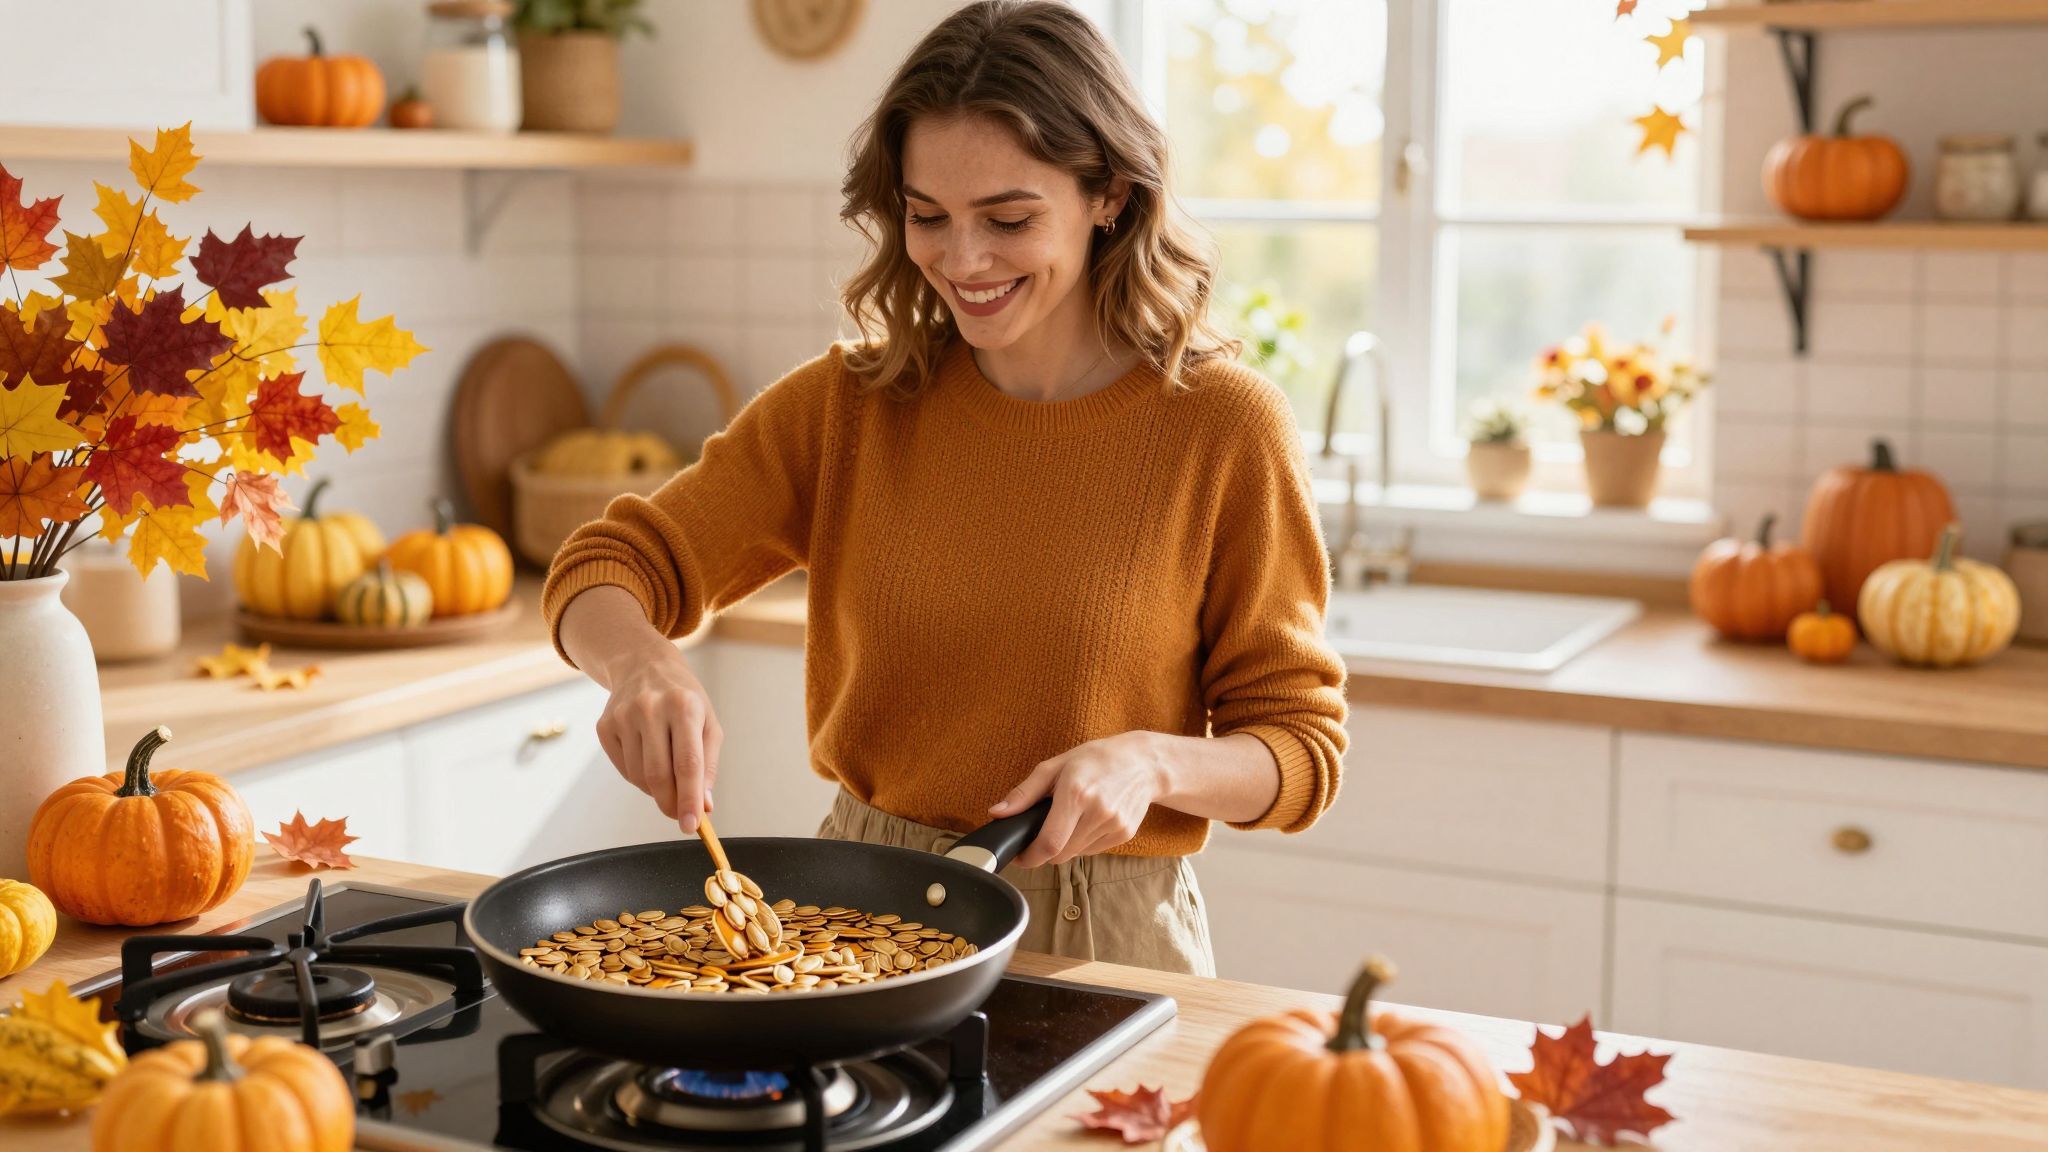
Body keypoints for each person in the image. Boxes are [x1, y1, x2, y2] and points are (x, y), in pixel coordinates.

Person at [543, 0, 1347, 976]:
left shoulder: (1222, 427)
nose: (962, 261)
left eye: (1008, 219)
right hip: (857, 918)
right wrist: (639, 665)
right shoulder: (850, 407)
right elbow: (604, 566)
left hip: (1101, 936)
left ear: (1110, 195)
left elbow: (1296, 750)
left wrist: (1152, 762)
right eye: (927, 217)